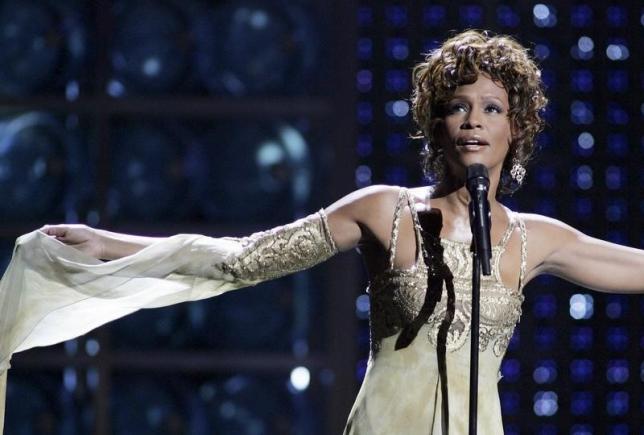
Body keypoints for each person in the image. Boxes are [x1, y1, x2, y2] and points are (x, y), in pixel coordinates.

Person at [1, 30, 643, 434]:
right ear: (436, 122)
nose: (473, 121)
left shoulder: (536, 240)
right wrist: (110, 244)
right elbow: (242, 259)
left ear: (517, 126)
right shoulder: (382, 210)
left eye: (492, 108)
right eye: (457, 106)